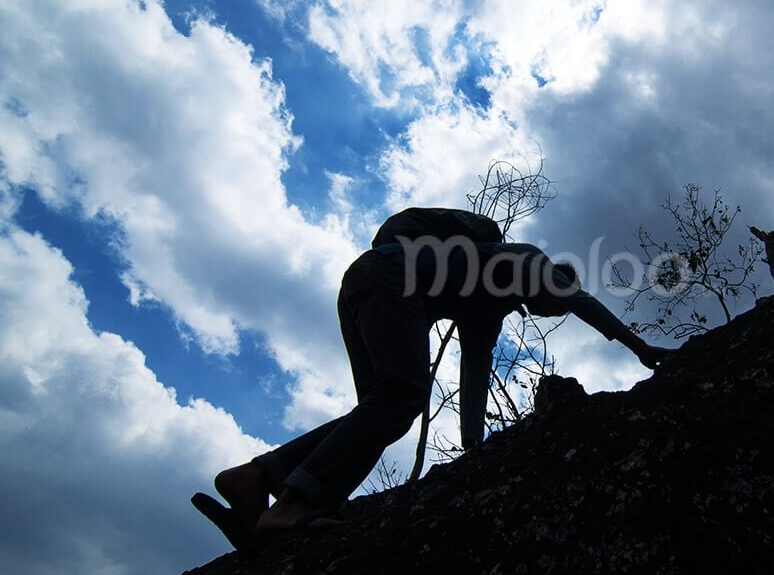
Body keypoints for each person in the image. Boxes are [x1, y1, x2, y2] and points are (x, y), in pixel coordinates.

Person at [193, 221, 673, 550]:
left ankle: (257, 477)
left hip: (366, 281)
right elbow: (583, 300)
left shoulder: (488, 306)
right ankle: (292, 504)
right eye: (557, 302)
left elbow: (474, 377)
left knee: (385, 413)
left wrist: (473, 448)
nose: (556, 310)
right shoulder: (527, 259)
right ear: (554, 279)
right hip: (392, 276)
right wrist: (639, 347)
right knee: (402, 398)